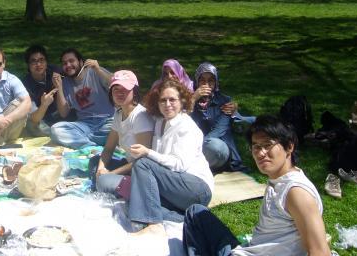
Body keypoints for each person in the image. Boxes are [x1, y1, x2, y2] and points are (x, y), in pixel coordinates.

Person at [183, 115, 331, 256]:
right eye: (256, 147)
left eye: (268, 145)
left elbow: (321, 252)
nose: (261, 153)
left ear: (289, 147)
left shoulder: (296, 192)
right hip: (250, 251)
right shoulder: (279, 181)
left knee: (194, 217)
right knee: (196, 213)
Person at [128, 80, 214, 237]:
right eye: (163, 100)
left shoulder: (187, 127)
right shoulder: (161, 123)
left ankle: (154, 224)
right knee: (140, 198)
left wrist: (147, 152)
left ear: (182, 101)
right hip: (176, 186)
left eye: (172, 100)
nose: (167, 104)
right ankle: (186, 217)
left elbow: (178, 165)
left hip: (197, 189)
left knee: (143, 164)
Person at [89, 70, 154, 196]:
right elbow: (108, 148)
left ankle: (125, 191)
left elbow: (142, 162)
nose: (120, 93)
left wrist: (110, 174)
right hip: (128, 164)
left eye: (125, 89)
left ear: (134, 92)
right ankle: (108, 185)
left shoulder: (140, 117)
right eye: (116, 89)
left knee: (104, 181)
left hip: (142, 172)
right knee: (95, 162)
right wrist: (101, 168)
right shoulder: (119, 114)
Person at [51, 48, 114, 148]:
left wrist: (98, 70)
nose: (68, 65)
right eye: (64, 63)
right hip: (85, 125)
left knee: (120, 128)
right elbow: (63, 113)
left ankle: (85, 141)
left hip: (107, 121)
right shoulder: (65, 83)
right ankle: (91, 147)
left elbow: (116, 83)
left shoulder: (94, 71)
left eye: (71, 61)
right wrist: (59, 88)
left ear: (80, 62)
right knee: (56, 129)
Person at [190, 62, 245, 173]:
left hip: (214, 148)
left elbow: (219, 130)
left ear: (216, 82)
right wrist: (192, 100)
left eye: (210, 80)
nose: (206, 84)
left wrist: (199, 147)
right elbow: (182, 124)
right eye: (202, 80)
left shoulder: (224, 101)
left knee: (215, 146)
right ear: (196, 81)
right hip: (192, 147)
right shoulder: (188, 100)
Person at [21, 45, 62, 137]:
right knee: (30, 125)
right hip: (42, 119)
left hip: (62, 114)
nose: (38, 64)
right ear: (28, 64)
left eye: (41, 60)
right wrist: (44, 104)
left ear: (46, 62)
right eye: (34, 61)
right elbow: (34, 118)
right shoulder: (25, 85)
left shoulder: (56, 72)